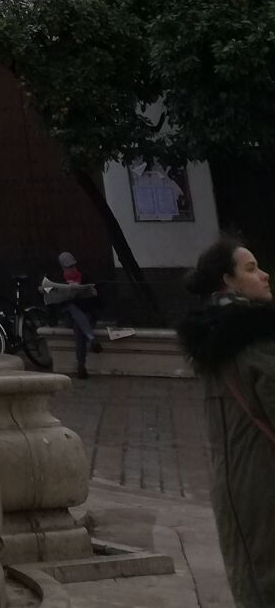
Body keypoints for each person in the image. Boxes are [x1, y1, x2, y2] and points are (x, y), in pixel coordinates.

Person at [179, 236, 275, 605]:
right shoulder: (254, 343)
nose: (265, 275)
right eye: (251, 269)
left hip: (237, 485)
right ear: (228, 281)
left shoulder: (216, 343)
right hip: (264, 487)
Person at [51, 251, 102, 380]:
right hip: (69, 315)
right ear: (63, 268)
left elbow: (98, 300)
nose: (72, 269)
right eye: (69, 267)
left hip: (87, 314)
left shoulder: (85, 277)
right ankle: (91, 339)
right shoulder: (58, 279)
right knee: (72, 308)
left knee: (78, 327)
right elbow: (54, 300)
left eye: (73, 266)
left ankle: (81, 365)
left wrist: (93, 293)